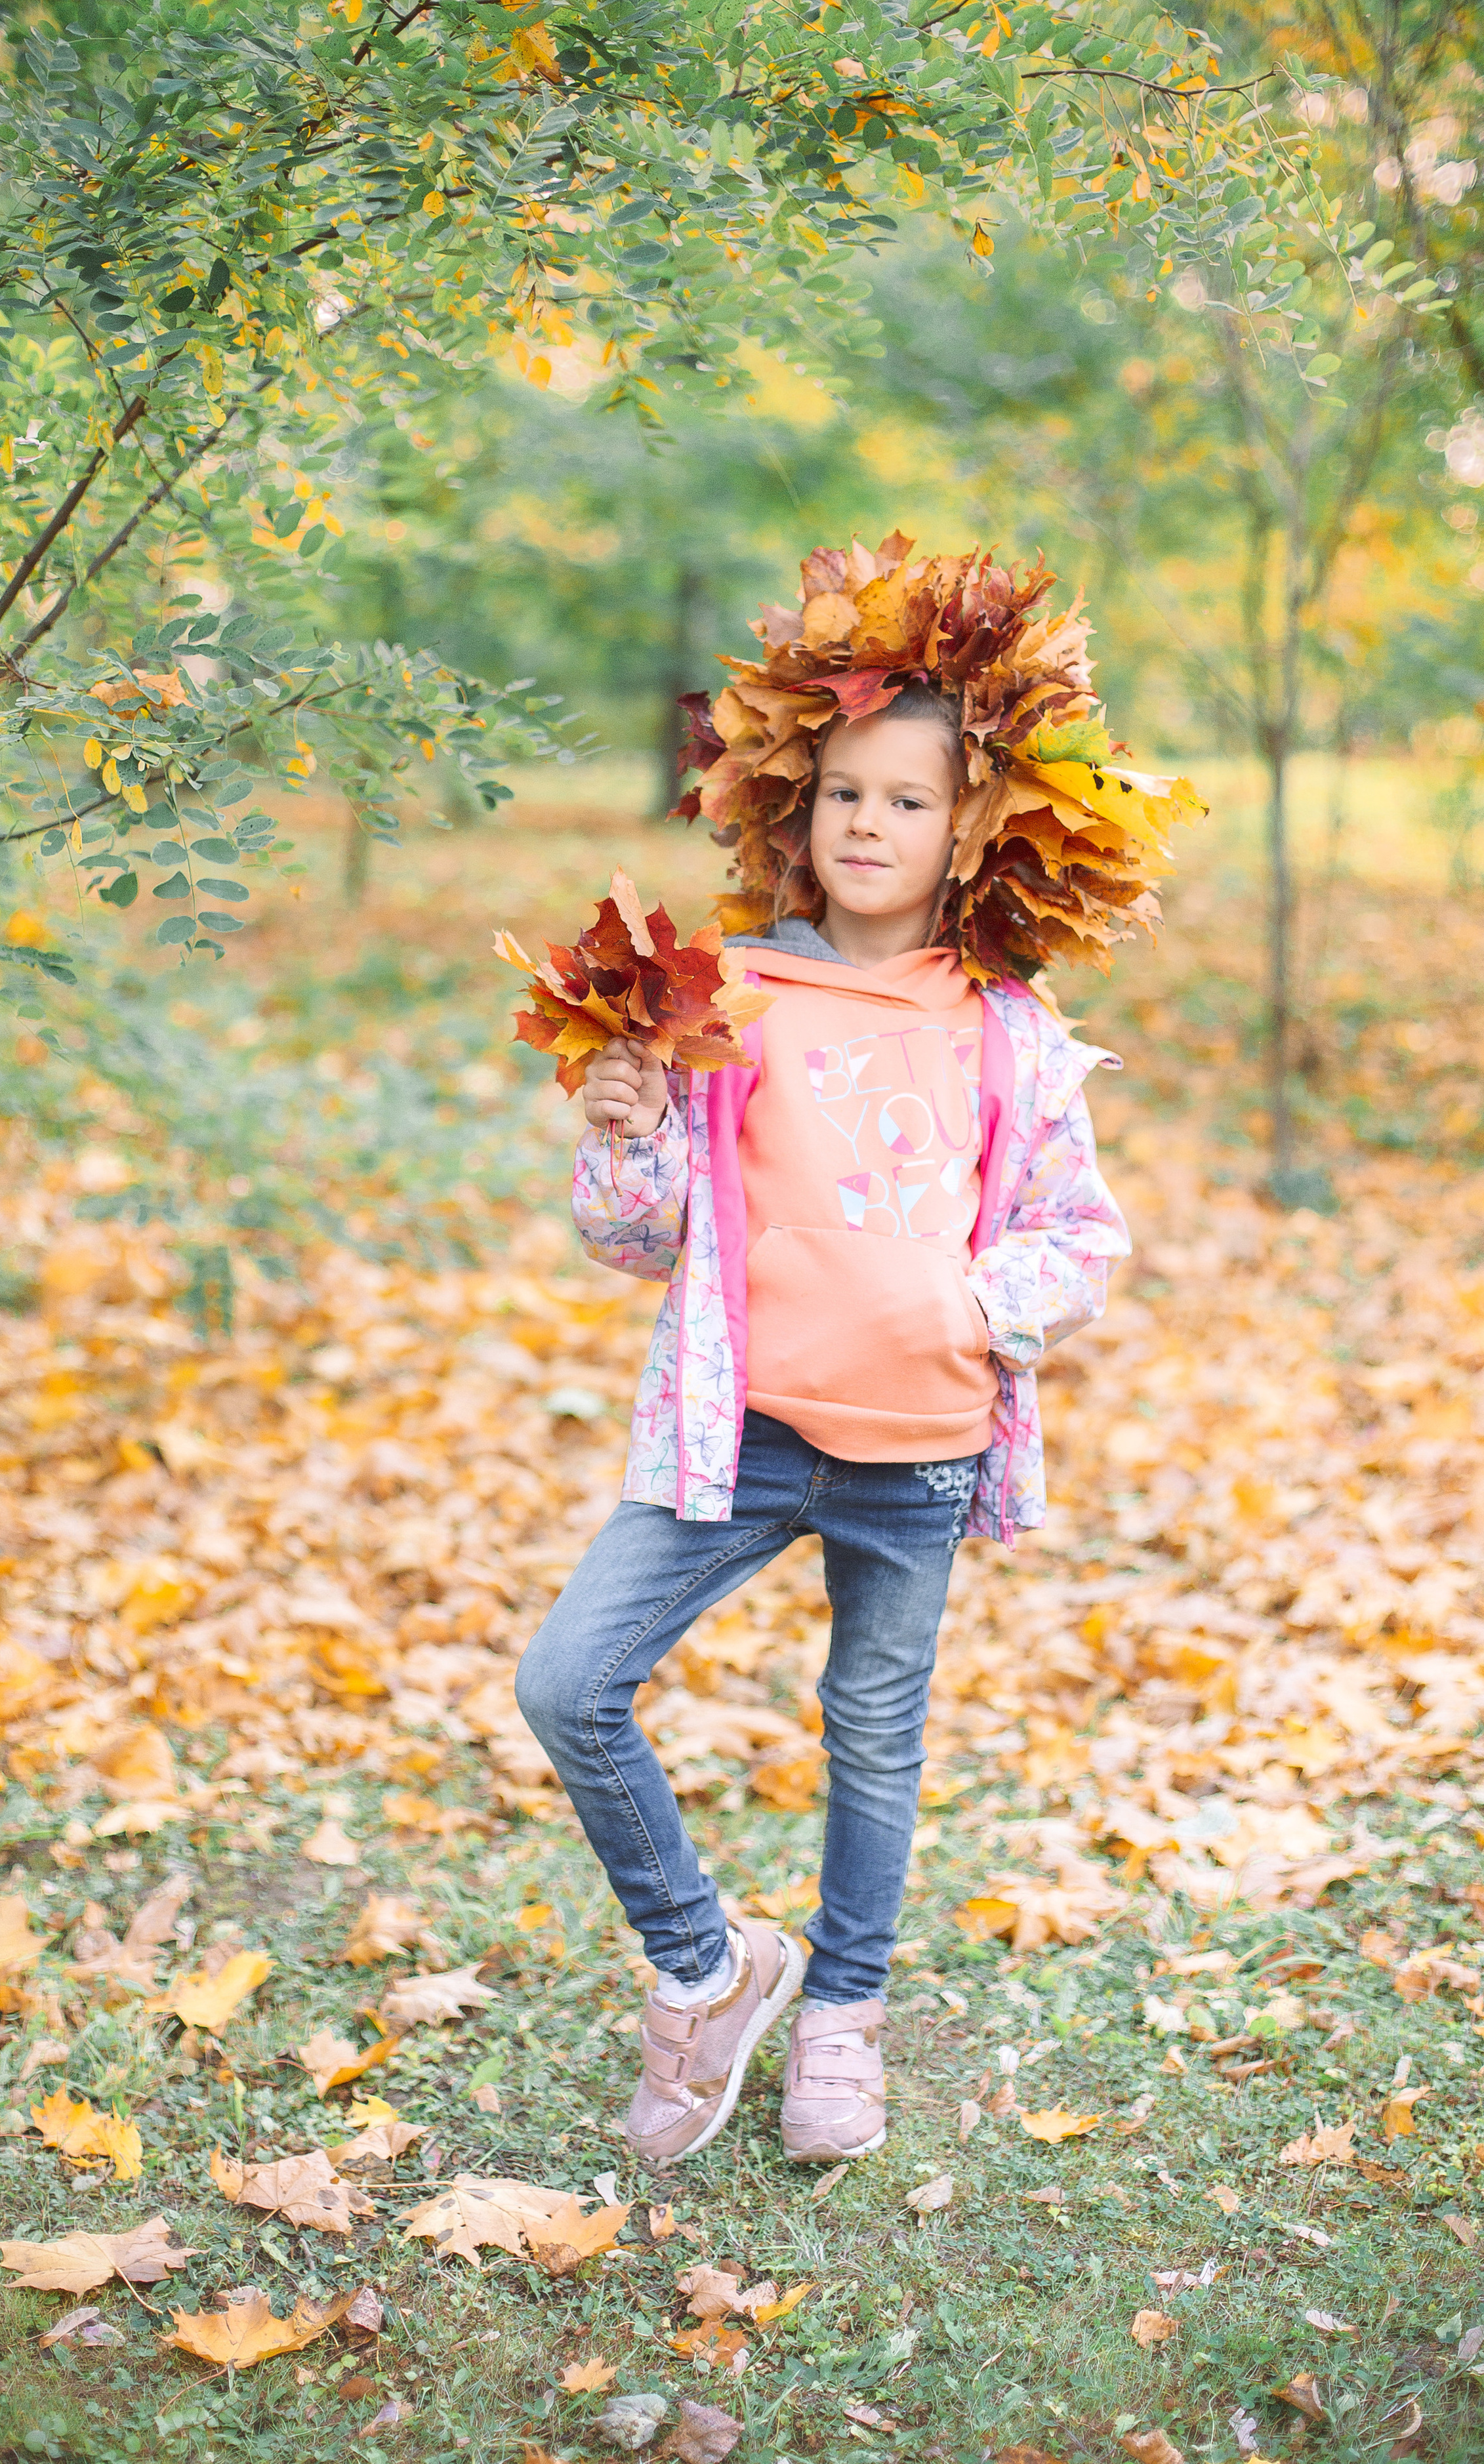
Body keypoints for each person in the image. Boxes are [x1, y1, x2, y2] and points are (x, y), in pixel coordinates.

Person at [515, 539, 1159, 2170]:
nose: (867, 826)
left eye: (908, 801)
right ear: (792, 809)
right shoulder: (728, 996)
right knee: (568, 1681)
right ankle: (709, 1966)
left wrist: (963, 1306)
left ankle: (844, 2021)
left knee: (872, 1727)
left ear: (972, 831)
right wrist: (624, 1123)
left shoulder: (1002, 1028)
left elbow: (1080, 1238)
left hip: (920, 1442)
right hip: (739, 1435)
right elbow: (641, 1235)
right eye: (843, 796)